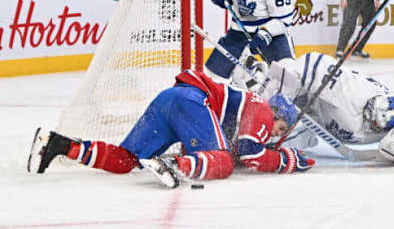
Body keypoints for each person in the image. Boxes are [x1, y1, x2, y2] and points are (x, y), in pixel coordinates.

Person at [28, 70, 315, 187]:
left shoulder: (250, 111)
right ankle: (173, 165)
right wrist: (286, 160)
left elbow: (244, 146)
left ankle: (61, 145)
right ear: (276, 112)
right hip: (192, 103)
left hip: (169, 100)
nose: (277, 133)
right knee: (223, 161)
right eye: (281, 127)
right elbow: (251, 156)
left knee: (126, 159)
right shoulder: (263, 110)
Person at [235, 52, 394, 163]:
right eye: (372, 121)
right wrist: (285, 86)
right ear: (368, 110)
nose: (373, 127)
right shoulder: (354, 94)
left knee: (289, 142)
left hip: (318, 119)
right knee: (272, 103)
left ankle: (252, 141)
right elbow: (315, 64)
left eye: (377, 126)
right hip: (306, 89)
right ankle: (252, 84)